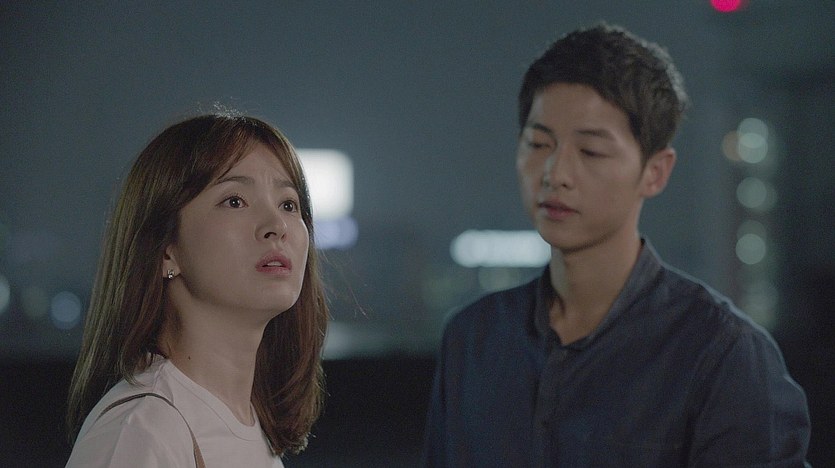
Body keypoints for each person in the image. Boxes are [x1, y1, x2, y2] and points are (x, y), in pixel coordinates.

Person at [423, 23, 811, 467]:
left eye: (590, 151)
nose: (555, 173)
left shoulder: (722, 354)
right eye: (538, 143)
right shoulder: (474, 339)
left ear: (655, 172)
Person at [65, 112, 329, 467]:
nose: (277, 225)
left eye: (288, 204)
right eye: (235, 201)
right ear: (166, 249)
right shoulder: (142, 432)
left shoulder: (247, 423)